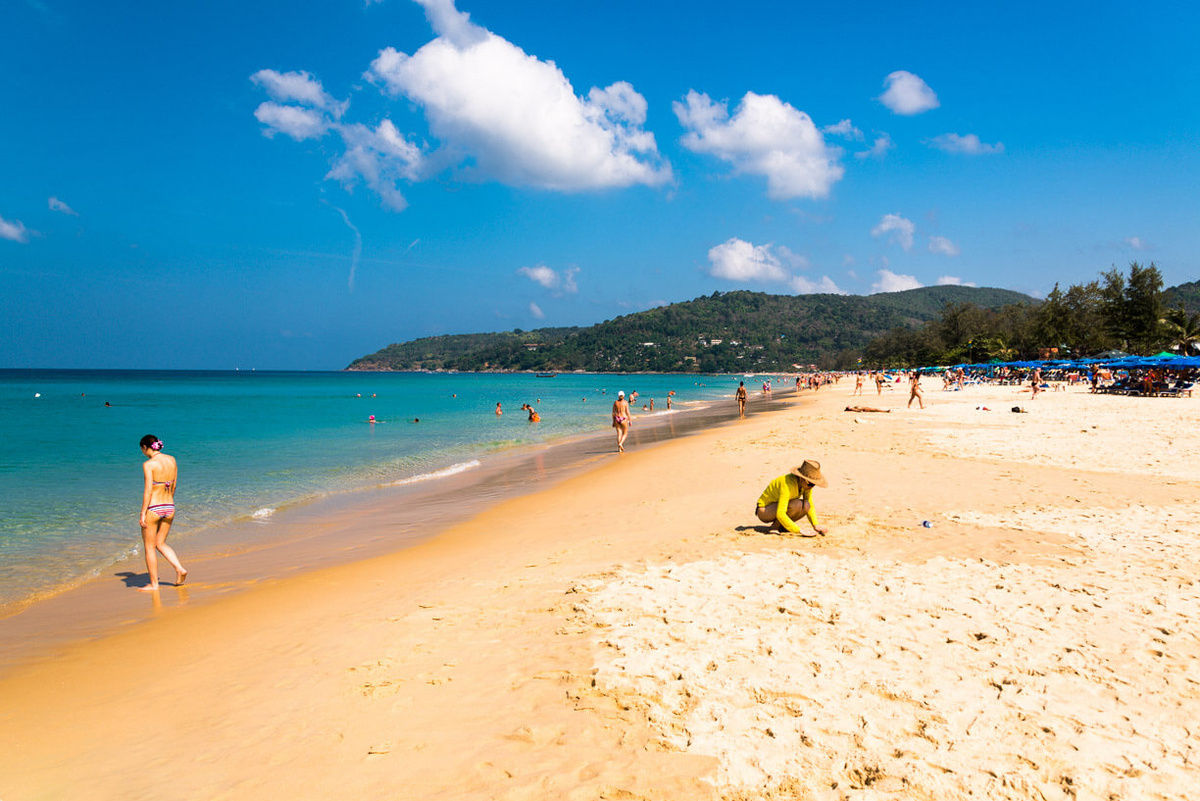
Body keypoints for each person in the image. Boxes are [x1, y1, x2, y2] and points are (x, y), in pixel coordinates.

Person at [137, 435, 186, 591]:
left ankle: (154, 584)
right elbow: (174, 486)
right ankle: (179, 568)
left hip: (154, 508)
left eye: (142, 449)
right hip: (169, 506)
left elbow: (148, 491)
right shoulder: (172, 460)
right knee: (161, 543)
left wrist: (142, 513)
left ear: (145, 447)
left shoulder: (149, 464)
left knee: (150, 547)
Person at [754, 460, 829, 536]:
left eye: (813, 484)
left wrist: (815, 525)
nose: (811, 487)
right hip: (764, 511)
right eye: (810, 484)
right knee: (796, 504)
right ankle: (775, 527)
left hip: (778, 509)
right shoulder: (787, 484)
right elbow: (780, 513)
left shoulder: (806, 485)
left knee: (806, 505)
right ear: (802, 478)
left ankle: (782, 526)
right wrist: (799, 530)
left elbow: (810, 505)